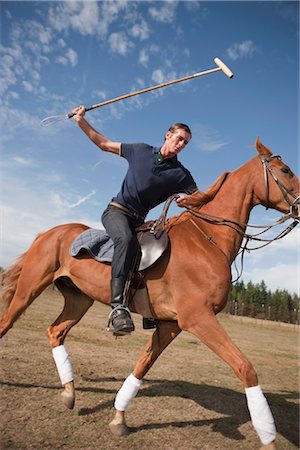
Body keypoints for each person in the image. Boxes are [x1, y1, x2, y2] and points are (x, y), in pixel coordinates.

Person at [72, 105, 203, 336]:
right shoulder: (140, 150)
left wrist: (188, 200)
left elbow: (200, 198)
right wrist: (80, 121)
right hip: (116, 212)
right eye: (179, 138)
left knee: (155, 253)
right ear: (168, 135)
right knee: (126, 242)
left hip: (140, 221)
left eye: (185, 143)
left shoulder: (181, 174)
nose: (181, 144)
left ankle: (147, 308)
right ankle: (118, 308)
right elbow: (103, 143)